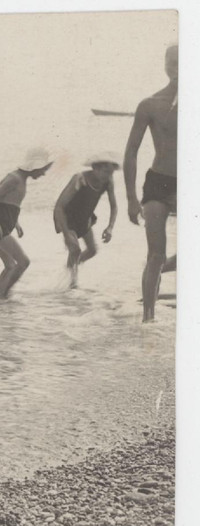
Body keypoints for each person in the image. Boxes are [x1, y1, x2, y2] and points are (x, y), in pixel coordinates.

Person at [125, 43, 178, 321]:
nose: (178, 69)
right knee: (156, 254)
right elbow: (131, 151)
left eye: (184, 63)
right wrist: (131, 198)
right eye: (173, 63)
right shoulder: (150, 104)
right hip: (158, 182)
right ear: (165, 66)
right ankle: (148, 319)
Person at [0, 147, 53, 299]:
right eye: (42, 169)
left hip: (3, 226)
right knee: (23, 263)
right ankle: (4, 296)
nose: (43, 173)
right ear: (34, 167)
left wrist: (16, 224)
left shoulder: (20, 178)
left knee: (10, 266)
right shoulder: (15, 179)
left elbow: (7, 204)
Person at [53, 154, 119, 289]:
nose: (108, 176)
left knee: (92, 250)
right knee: (75, 249)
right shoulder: (80, 179)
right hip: (66, 217)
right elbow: (59, 207)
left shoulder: (108, 182)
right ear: (95, 168)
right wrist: (66, 235)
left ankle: (70, 268)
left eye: (111, 173)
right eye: (106, 172)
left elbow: (114, 206)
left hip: (84, 217)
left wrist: (110, 227)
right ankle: (72, 285)